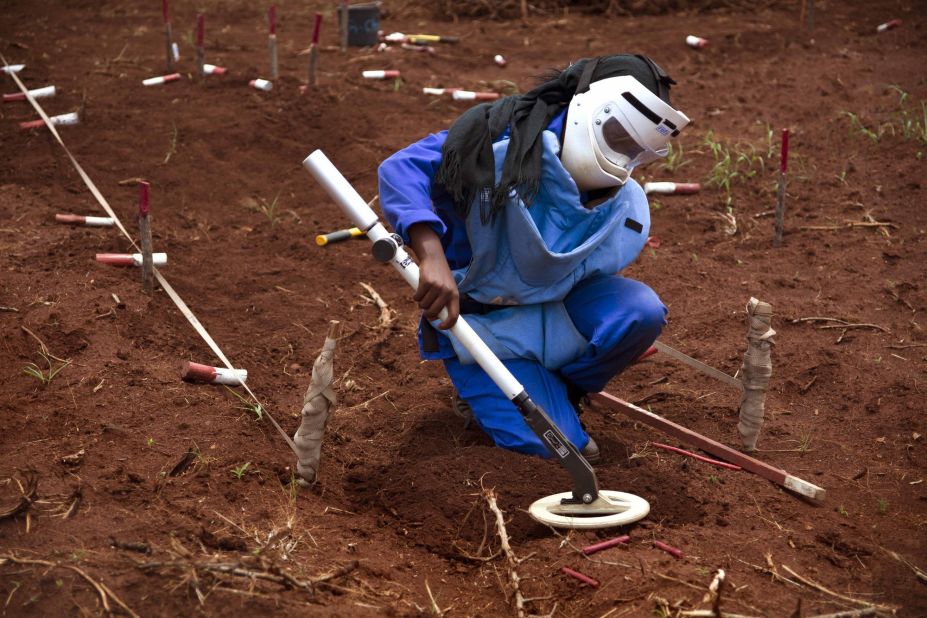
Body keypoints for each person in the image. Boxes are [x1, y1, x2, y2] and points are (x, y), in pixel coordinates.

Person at [378, 54, 689, 462]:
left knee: (639, 312)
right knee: (562, 450)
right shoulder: (494, 142)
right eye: (621, 139)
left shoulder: (623, 207)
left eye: (637, 151)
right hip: (483, 325)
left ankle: (566, 388)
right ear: (591, 109)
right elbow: (401, 169)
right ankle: (504, 394)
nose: (624, 160)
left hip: (558, 309)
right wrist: (430, 253)